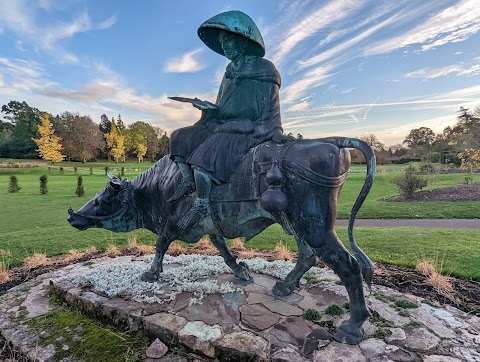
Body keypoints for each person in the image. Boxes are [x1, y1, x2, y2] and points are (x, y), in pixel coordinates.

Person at [168, 10, 289, 229]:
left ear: (242, 41)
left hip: (250, 127)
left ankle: (202, 204)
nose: (224, 47)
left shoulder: (265, 69)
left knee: (204, 156)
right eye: (222, 43)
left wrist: (254, 126)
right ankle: (187, 181)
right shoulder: (230, 69)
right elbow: (223, 106)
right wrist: (208, 108)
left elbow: (266, 110)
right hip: (223, 123)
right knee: (179, 137)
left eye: (227, 41)